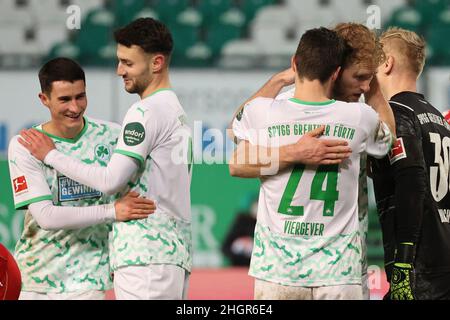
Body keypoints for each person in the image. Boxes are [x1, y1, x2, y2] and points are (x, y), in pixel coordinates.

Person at [19, 18, 192, 300]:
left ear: (156, 63)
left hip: (145, 254)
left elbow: (110, 181)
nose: (119, 70)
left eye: (128, 63)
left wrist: (51, 155)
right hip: (170, 251)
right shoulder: (175, 109)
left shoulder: (145, 113)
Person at [230, 27, 394, 300]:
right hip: (338, 271)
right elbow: (390, 137)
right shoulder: (361, 117)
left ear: (297, 63)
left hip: (281, 271)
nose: (365, 86)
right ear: (337, 72)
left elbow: (237, 133)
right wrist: (296, 151)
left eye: (370, 79)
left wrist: (281, 79)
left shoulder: (269, 109)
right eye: (361, 77)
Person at [8, 57, 156, 300]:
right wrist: (112, 211)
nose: (75, 107)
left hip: (88, 280)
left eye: (80, 96)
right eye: (65, 99)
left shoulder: (112, 135)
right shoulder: (26, 145)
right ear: (44, 99)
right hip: (35, 280)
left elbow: (136, 195)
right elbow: (46, 216)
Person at [370, 27, 450, 300]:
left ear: (387, 63)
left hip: (418, 266)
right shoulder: (439, 118)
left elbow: (411, 186)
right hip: (443, 256)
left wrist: (403, 261)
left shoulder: (397, 114)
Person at [222, 196, 258, 266]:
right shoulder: (241, 221)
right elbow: (225, 247)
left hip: (258, 268)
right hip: (238, 266)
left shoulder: (267, 224)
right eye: (256, 205)